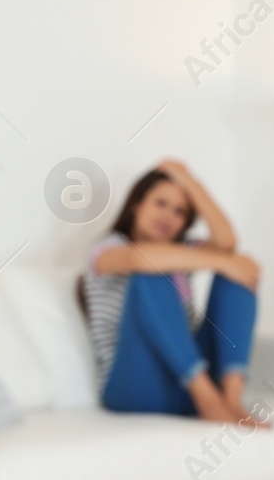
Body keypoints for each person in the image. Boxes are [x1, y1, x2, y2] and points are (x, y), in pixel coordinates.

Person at [81, 160, 263, 423]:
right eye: (160, 203)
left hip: (181, 387)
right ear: (137, 205)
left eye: (180, 211)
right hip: (134, 387)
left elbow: (227, 242)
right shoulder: (109, 248)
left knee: (236, 277)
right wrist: (224, 261)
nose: (168, 216)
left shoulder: (183, 253)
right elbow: (139, 260)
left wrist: (190, 180)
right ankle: (208, 399)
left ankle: (231, 401)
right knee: (153, 270)